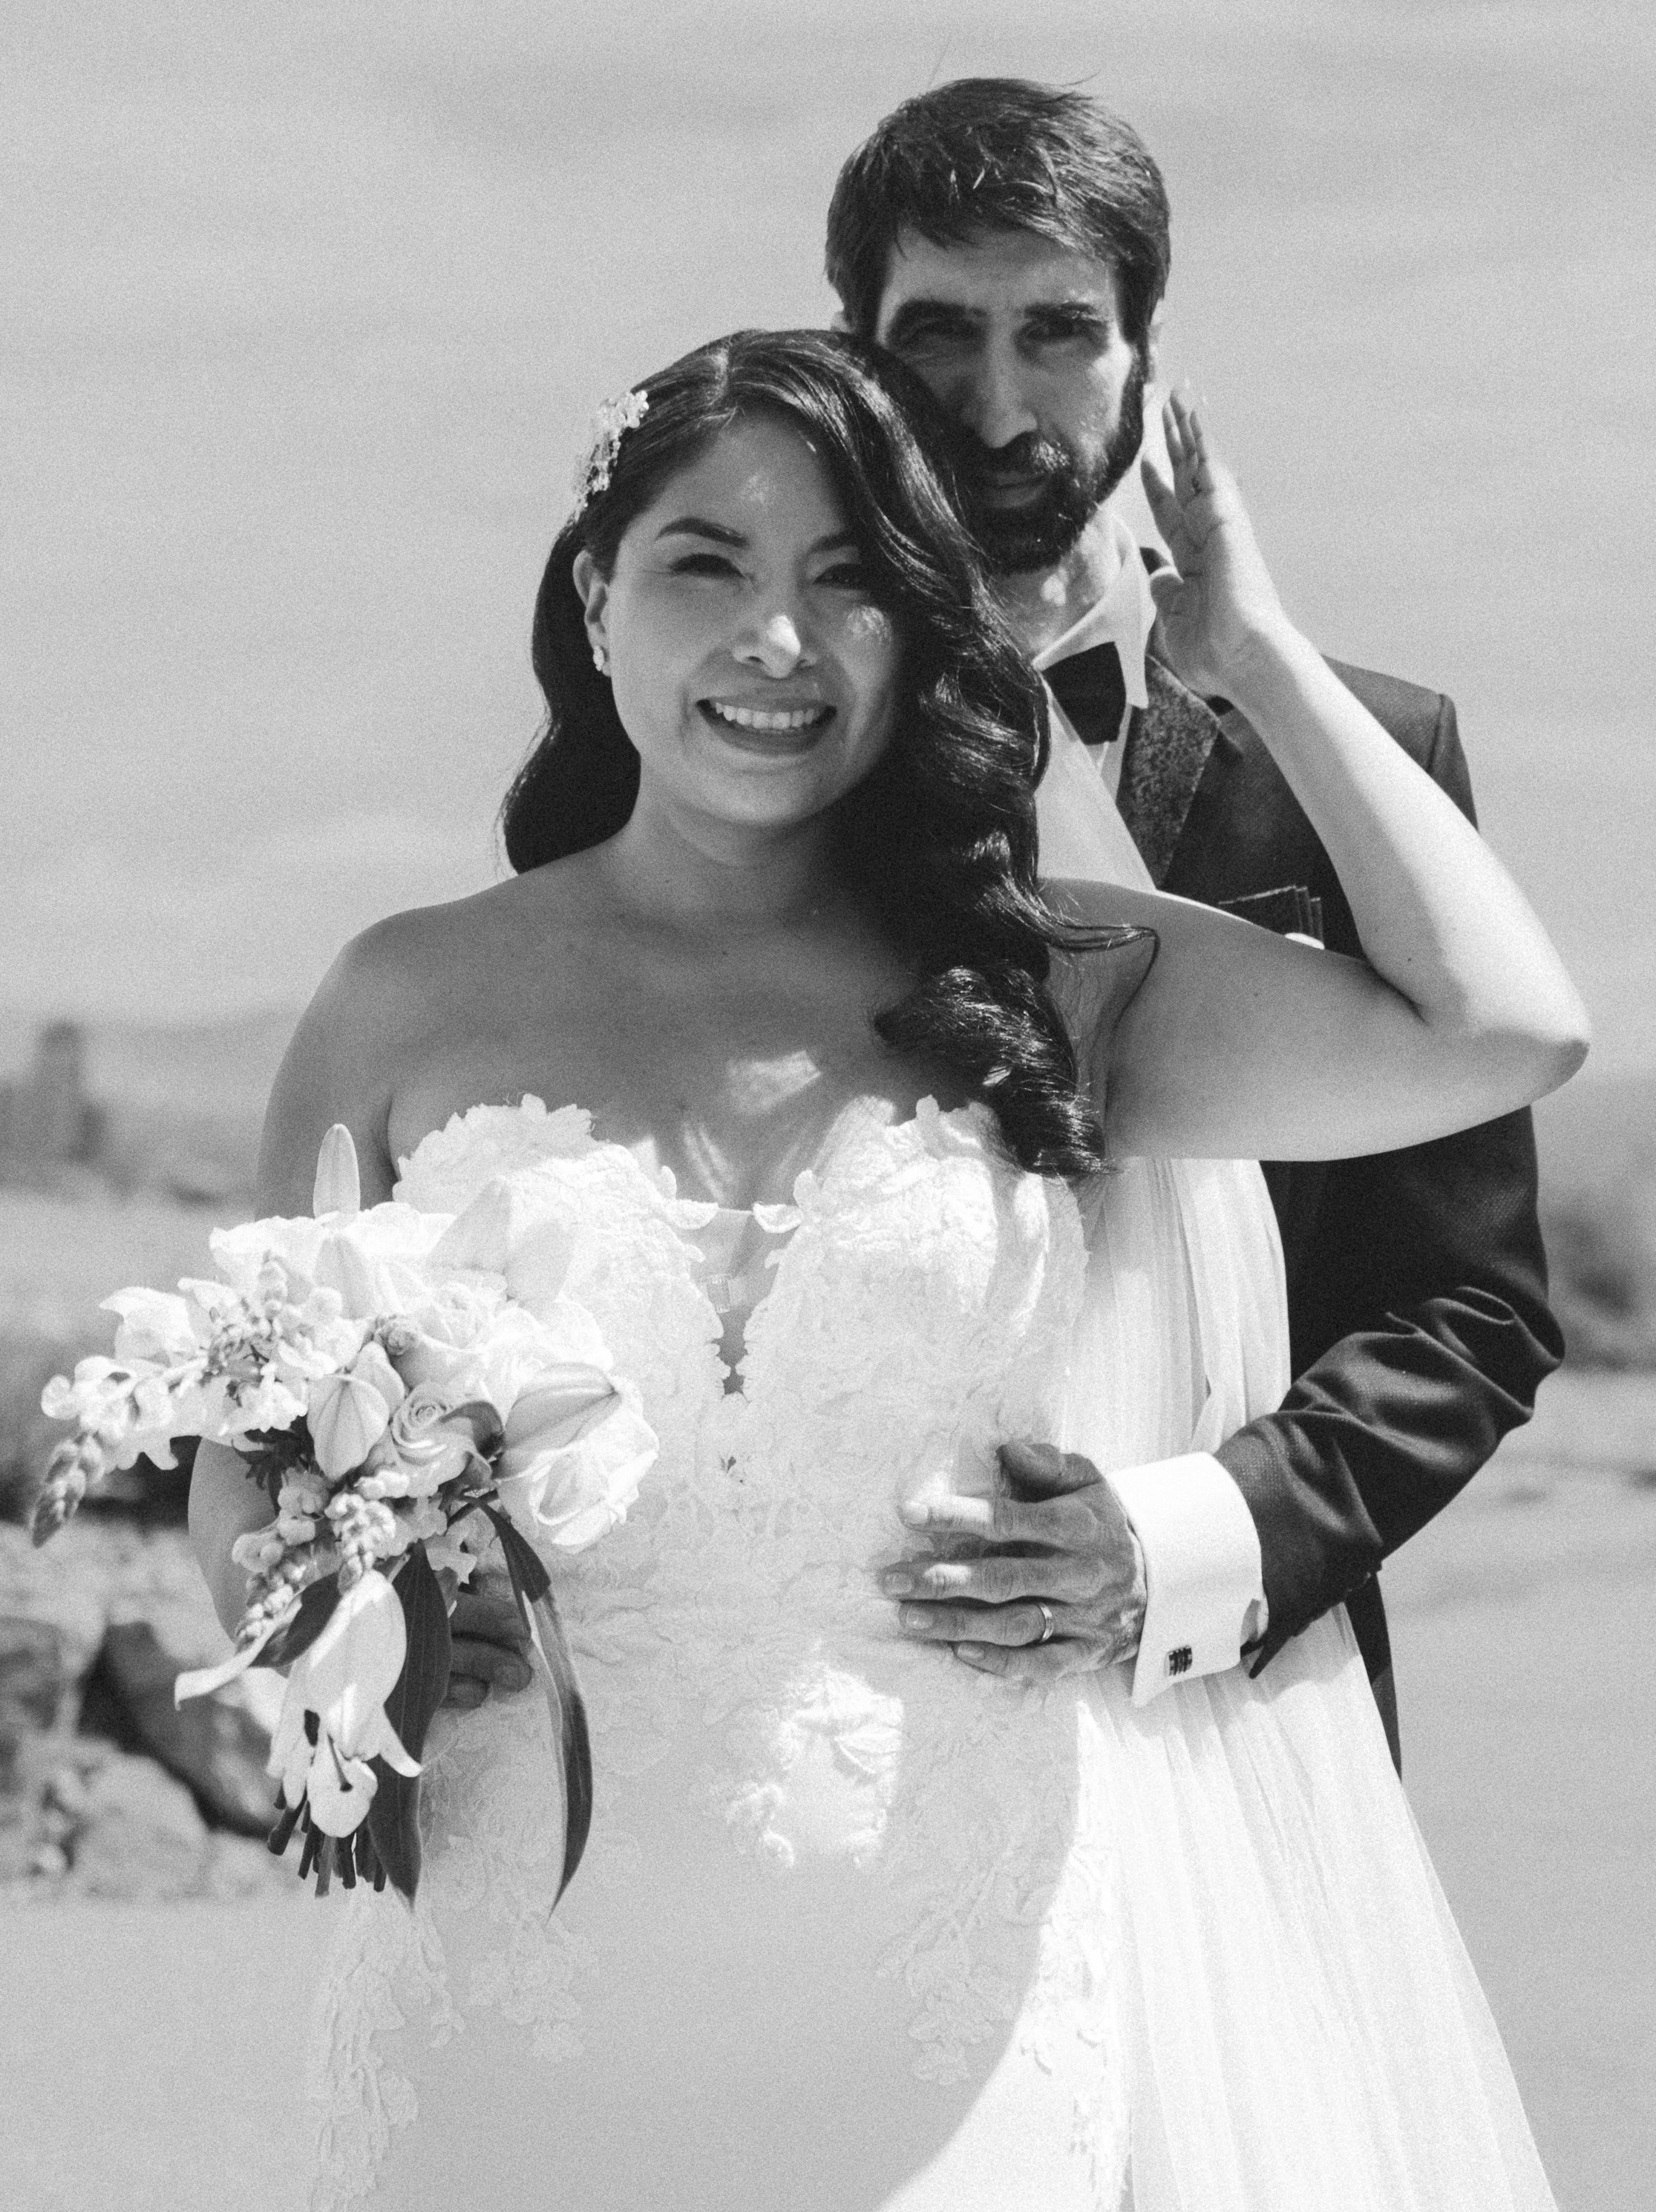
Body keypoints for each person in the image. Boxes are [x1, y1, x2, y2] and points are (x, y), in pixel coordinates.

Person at [191, 328, 1584, 2208]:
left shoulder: (1046, 975)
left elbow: (1499, 1028)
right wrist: (347, 1624)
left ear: (917, 632)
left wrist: (1249, 648)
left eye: (848, 581)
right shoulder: (401, 992)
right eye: (709, 565)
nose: (776, 640)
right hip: (504, 1994)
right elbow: (246, 1462)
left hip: (952, 1996)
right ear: (598, 598)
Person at [827, 80, 1562, 1756]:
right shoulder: (760, 749)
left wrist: (1175, 1544)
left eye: (1058, 334)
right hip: (839, 1707)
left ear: (1144, 358)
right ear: (853, 350)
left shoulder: (1366, 757)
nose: (997, 403)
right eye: (937, 331)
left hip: (1232, 1714)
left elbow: (1467, 1303)